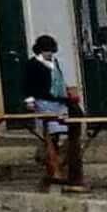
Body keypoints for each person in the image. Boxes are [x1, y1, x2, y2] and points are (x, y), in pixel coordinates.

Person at [22, 33, 77, 187]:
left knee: (67, 132)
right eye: (47, 51)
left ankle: (54, 160)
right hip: (43, 100)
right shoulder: (32, 64)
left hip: (59, 101)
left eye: (51, 51)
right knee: (51, 132)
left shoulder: (54, 62)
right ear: (40, 50)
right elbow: (27, 84)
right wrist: (30, 101)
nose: (49, 54)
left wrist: (67, 92)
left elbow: (59, 79)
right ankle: (53, 166)